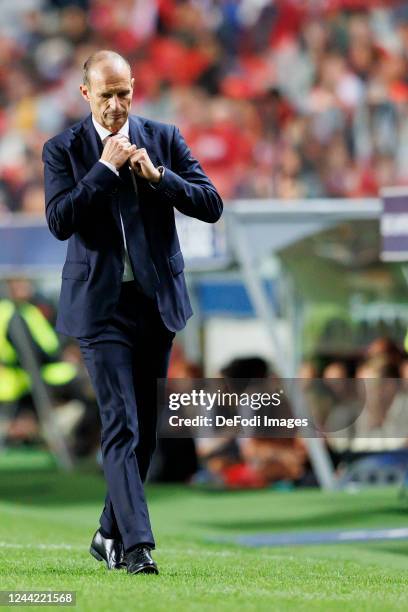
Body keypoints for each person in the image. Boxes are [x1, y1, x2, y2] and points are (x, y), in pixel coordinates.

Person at [42, 49, 223, 575]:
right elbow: (59, 219)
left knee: (146, 427)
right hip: (100, 310)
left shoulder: (163, 137)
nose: (117, 105)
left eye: (124, 93)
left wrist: (159, 176)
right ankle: (137, 546)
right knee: (120, 422)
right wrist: (104, 170)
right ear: (85, 95)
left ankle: (106, 533)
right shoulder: (64, 149)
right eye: (107, 96)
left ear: (133, 86)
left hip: (154, 303)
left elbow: (210, 203)